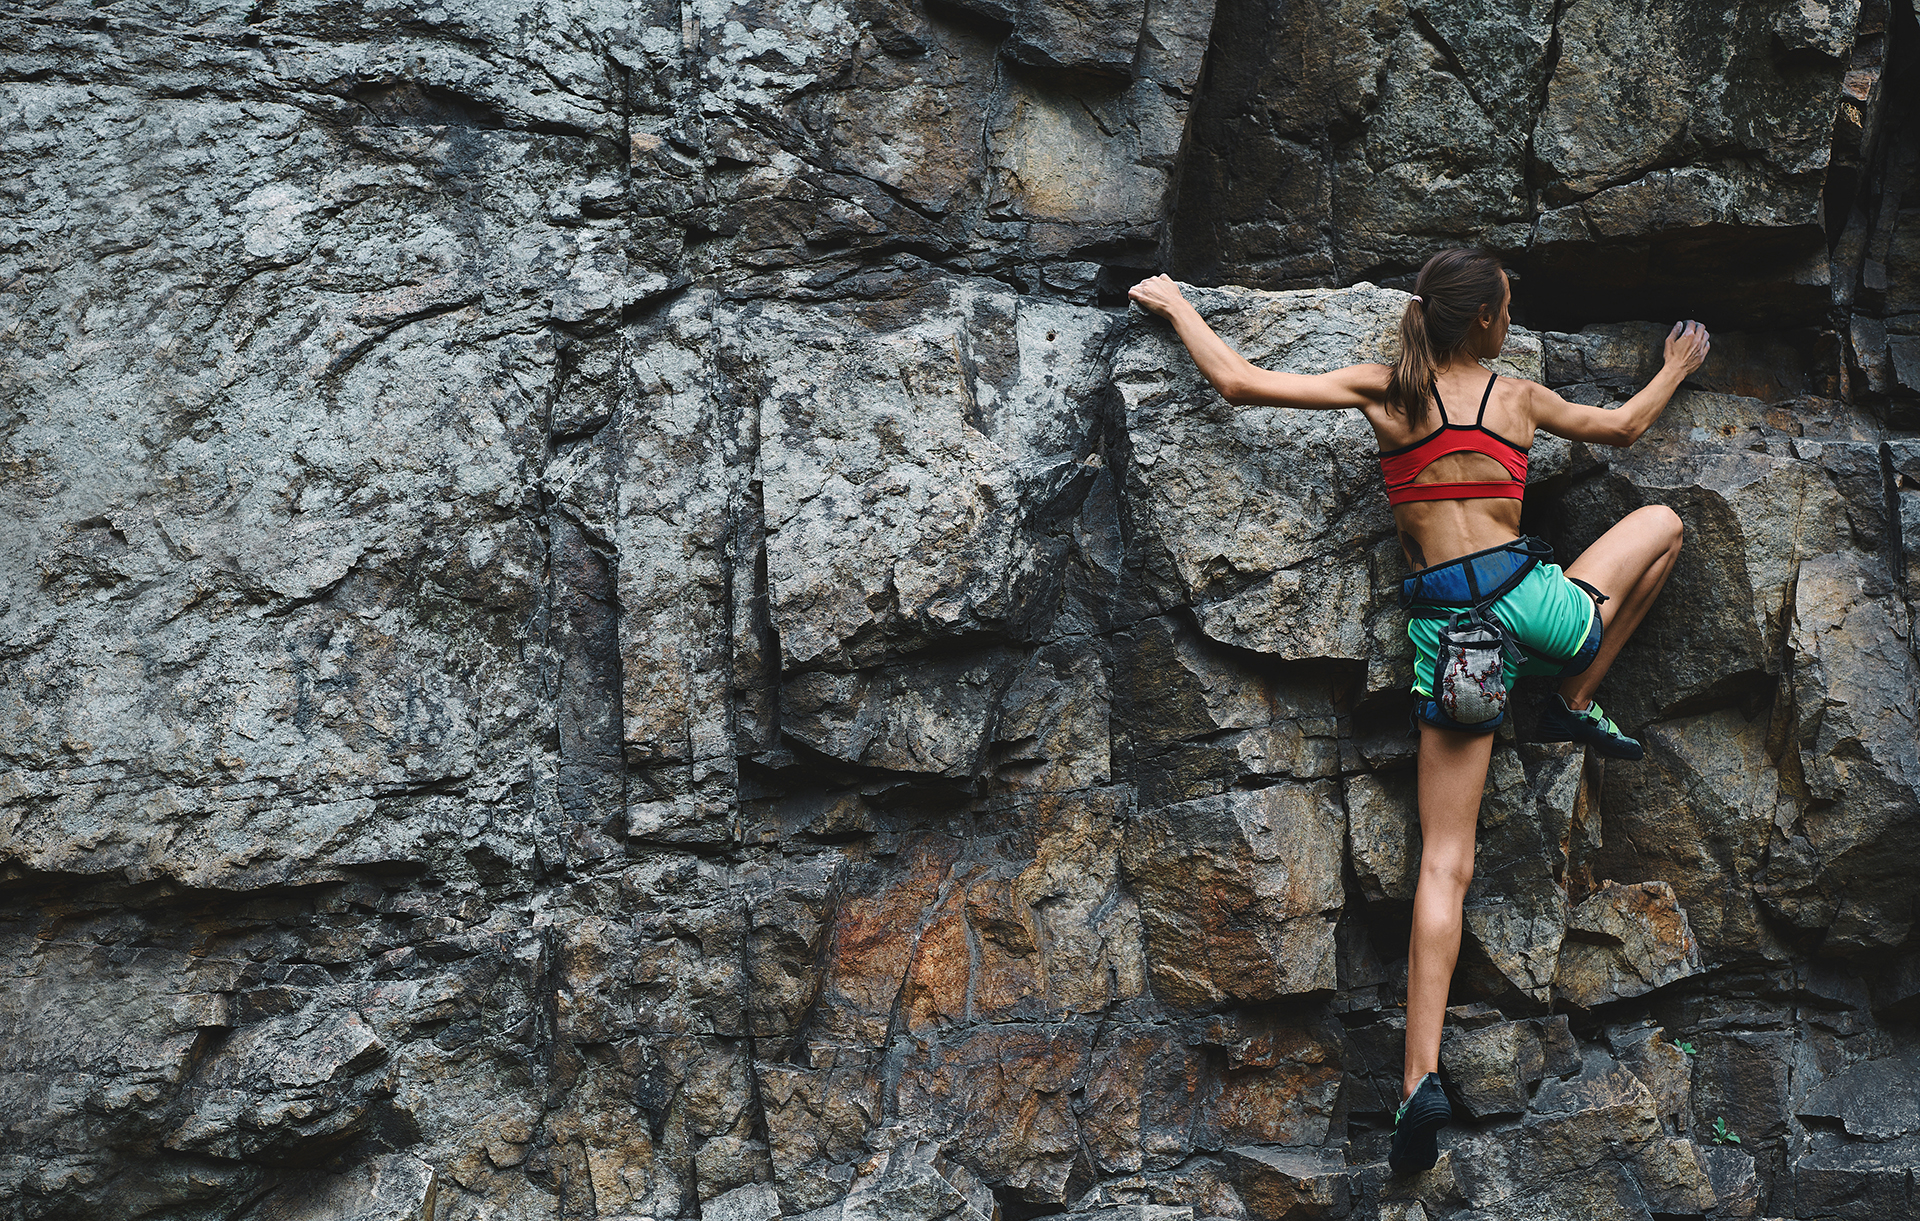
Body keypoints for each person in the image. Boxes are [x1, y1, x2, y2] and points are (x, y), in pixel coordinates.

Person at [1127, 250, 1709, 1174]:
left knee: (1447, 861)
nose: (1510, 319)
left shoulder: (1385, 391)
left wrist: (1177, 303)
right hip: (1536, 608)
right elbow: (1626, 426)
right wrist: (1675, 368)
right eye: (1506, 307)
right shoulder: (1516, 397)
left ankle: (1415, 1085)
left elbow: (1238, 381)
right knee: (1665, 526)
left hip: (1455, 635)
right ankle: (1572, 697)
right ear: (1483, 323)